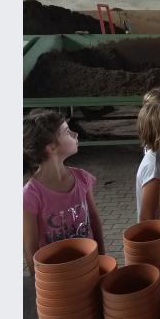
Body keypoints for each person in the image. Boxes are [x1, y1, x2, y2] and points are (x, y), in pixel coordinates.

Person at [23, 109, 105, 275]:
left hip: (88, 264)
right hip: (56, 275)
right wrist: (40, 284)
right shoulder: (30, 195)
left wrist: (102, 257)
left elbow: (94, 219)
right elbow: (30, 248)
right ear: (51, 147)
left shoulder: (82, 178)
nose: (75, 134)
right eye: (67, 132)